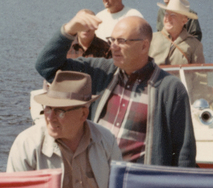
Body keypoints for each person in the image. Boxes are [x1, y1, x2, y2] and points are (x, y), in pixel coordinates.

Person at [35, 11, 196, 167]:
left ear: (144, 46)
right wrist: (69, 30)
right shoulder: (100, 71)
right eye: (112, 40)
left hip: (137, 186)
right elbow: (47, 67)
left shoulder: (170, 89)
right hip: (95, 181)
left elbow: (184, 153)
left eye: (121, 41)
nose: (113, 47)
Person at [7, 71, 122, 188]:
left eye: (60, 112)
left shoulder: (106, 140)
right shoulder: (26, 144)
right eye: (47, 109)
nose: (50, 118)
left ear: (83, 114)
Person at [150, 0, 205, 66]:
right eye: (166, 14)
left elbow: (199, 75)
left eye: (173, 15)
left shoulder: (195, 45)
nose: (168, 18)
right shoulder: (151, 39)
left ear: (184, 21)